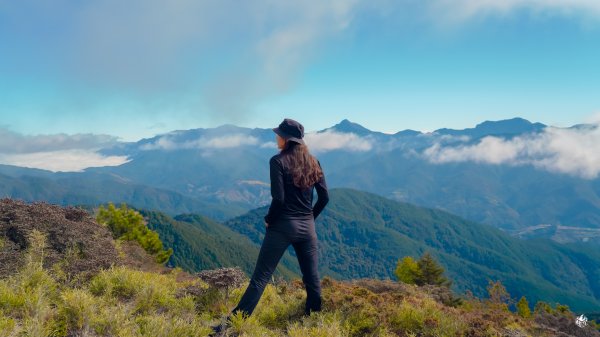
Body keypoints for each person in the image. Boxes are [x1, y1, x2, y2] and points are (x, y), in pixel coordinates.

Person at [211, 118, 329, 335]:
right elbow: (324, 198)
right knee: (312, 279)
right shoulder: (314, 161)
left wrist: (269, 219)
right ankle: (314, 324)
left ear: (286, 139)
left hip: (283, 226)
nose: (276, 137)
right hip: (307, 229)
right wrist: (309, 218)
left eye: (278, 134)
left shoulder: (278, 161)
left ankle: (227, 328)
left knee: (260, 278)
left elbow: (279, 198)